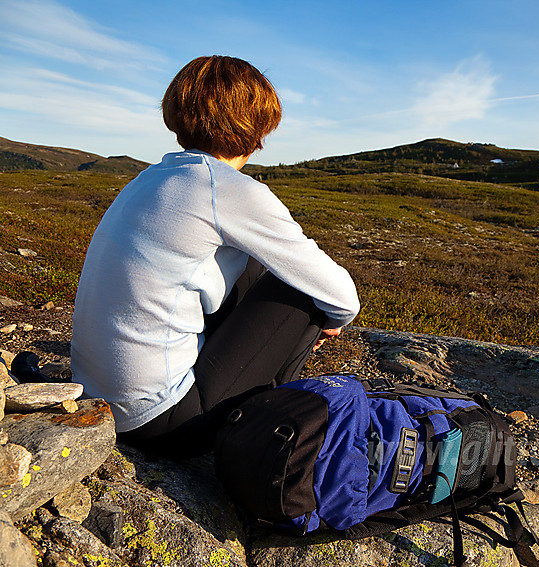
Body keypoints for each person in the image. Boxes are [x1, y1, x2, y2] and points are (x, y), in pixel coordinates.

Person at [71, 55, 359, 457]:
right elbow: (342, 296)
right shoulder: (228, 188)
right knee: (301, 289)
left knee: (259, 260)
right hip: (164, 421)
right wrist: (331, 318)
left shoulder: (152, 177)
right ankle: (267, 423)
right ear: (258, 128)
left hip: (98, 397)